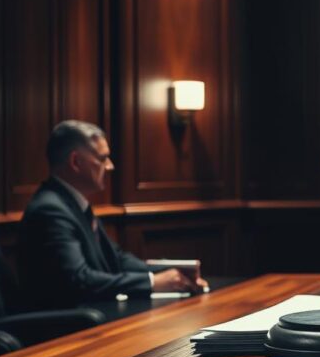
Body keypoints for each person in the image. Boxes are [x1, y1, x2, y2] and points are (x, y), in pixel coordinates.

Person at [18, 120, 208, 307]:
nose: (110, 166)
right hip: (63, 326)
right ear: (75, 162)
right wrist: (152, 282)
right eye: (102, 158)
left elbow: (116, 259)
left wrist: (174, 271)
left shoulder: (72, 203)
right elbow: (79, 280)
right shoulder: (51, 210)